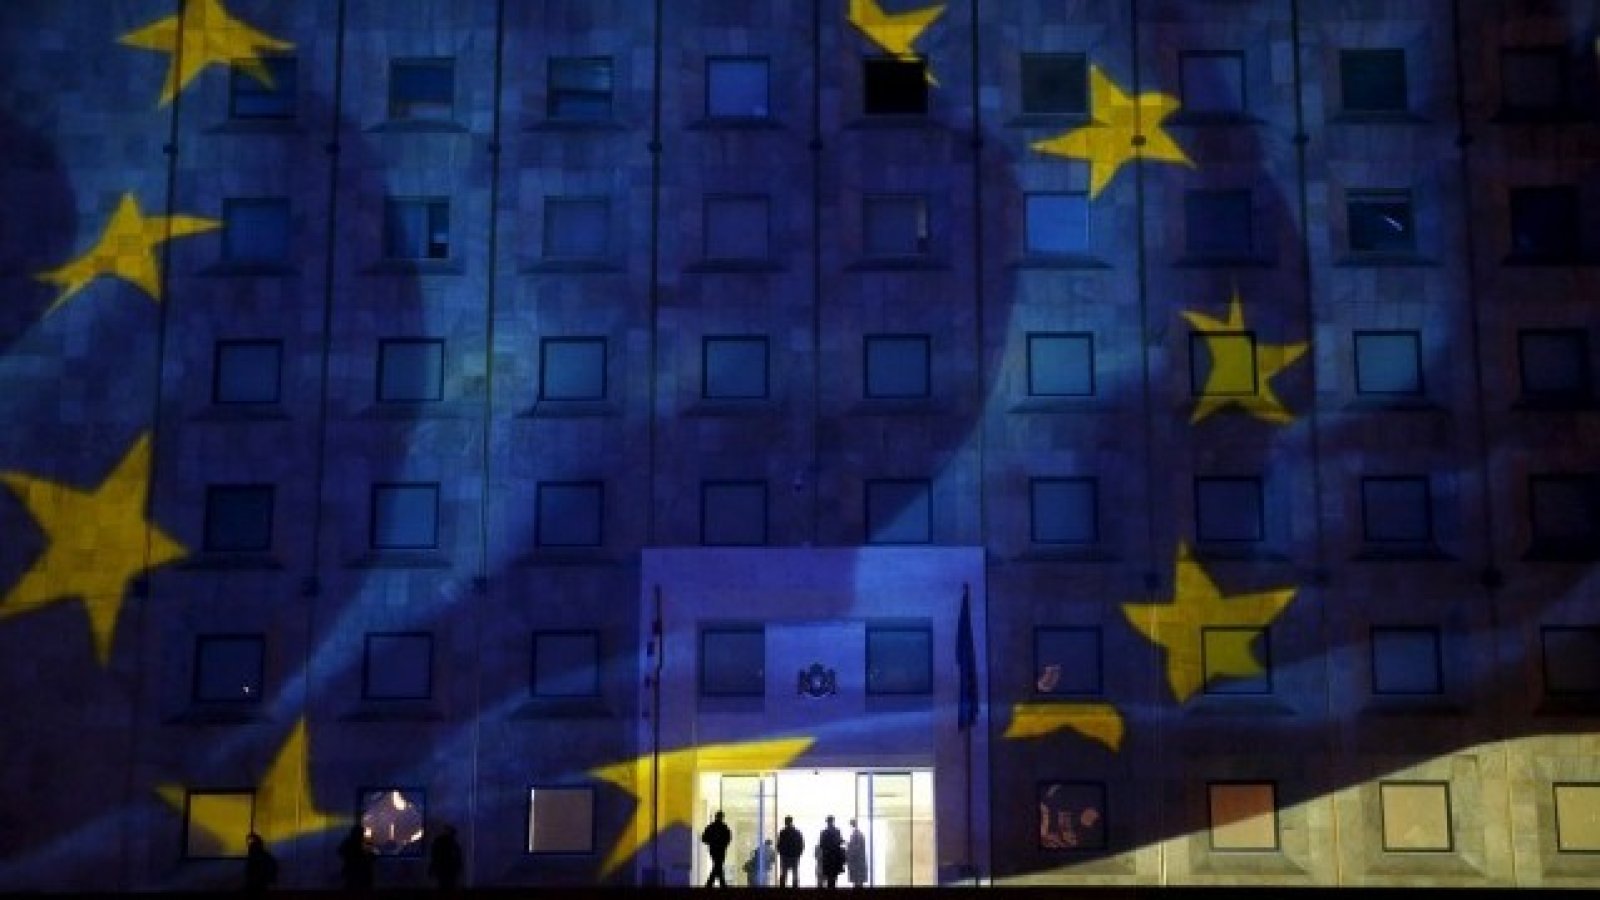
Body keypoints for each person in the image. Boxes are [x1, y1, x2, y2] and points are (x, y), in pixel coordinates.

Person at [337, 825, 376, 891]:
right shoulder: (357, 844)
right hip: (360, 874)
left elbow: (341, 851)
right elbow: (366, 857)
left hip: (354, 873)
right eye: (362, 833)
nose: (363, 835)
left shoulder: (350, 843)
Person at [700, 810, 732, 888]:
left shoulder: (710, 827)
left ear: (716, 817)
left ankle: (716, 883)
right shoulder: (724, 827)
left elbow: (704, 838)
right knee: (718, 865)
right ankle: (716, 884)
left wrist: (712, 842)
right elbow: (728, 839)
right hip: (721, 849)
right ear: (722, 817)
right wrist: (723, 844)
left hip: (713, 849)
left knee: (718, 865)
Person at [427, 824, 463, 892]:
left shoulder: (439, 842)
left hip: (444, 871)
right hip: (449, 872)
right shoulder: (453, 844)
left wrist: (432, 869)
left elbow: (435, 857)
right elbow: (458, 859)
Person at [776, 816, 804, 887]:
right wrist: (798, 854)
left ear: (786, 822)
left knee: (784, 873)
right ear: (791, 822)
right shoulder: (797, 832)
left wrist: (781, 853)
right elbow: (801, 844)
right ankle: (795, 887)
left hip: (785, 856)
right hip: (794, 856)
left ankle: (782, 887)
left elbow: (779, 844)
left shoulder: (782, 832)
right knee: (795, 872)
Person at [818, 815, 845, 888]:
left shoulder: (824, 832)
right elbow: (840, 842)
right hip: (836, 856)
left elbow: (821, 844)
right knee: (834, 876)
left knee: (828, 875)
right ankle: (833, 889)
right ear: (833, 821)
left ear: (827, 822)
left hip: (827, 856)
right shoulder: (837, 831)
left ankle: (829, 889)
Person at [846, 820, 868, 888]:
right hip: (858, 861)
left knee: (857, 881)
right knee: (858, 881)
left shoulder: (856, 835)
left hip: (857, 861)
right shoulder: (858, 834)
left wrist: (849, 848)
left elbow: (856, 848)